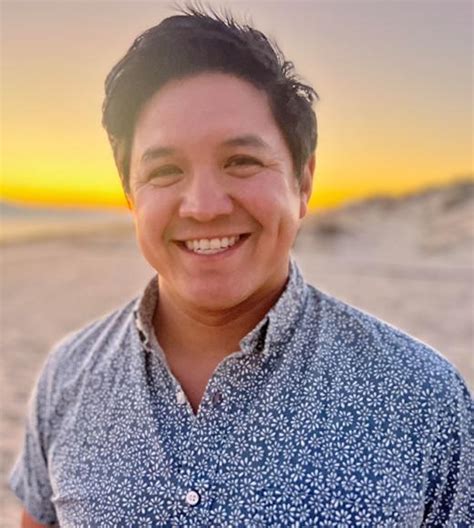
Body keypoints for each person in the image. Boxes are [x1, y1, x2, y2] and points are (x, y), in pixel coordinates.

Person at [10, 6, 472, 527]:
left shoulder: (421, 395)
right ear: (131, 197)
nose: (204, 206)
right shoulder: (69, 375)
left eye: (242, 162)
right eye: (165, 170)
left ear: (302, 182)